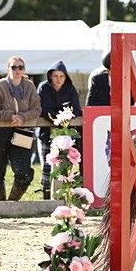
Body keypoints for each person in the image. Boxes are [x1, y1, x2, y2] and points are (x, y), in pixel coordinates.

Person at [0, 57, 42, 202]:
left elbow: (37, 108)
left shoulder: (29, 86)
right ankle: (0, 204)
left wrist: (22, 117)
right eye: (14, 67)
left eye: (20, 67)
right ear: (8, 69)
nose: (17, 70)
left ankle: (12, 203)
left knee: (23, 170)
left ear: (24, 69)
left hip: (22, 131)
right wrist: (10, 116)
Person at [37, 61, 82, 199]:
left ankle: (64, 194)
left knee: (65, 164)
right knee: (47, 165)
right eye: (55, 76)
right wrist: (60, 117)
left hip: (66, 134)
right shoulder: (43, 88)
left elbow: (76, 108)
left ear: (65, 77)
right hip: (46, 133)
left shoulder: (70, 88)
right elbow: (43, 110)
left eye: (61, 76)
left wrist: (66, 117)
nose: (58, 79)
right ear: (50, 76)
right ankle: (46, 195)